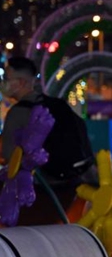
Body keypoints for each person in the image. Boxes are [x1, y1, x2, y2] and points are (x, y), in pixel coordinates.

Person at [0, 57, 83, 225]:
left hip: (35, 192)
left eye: (7, 78)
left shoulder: (18, 112)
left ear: (21, 82)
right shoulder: (56, 105)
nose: (3, 83)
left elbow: (9, 156)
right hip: (66, 187)